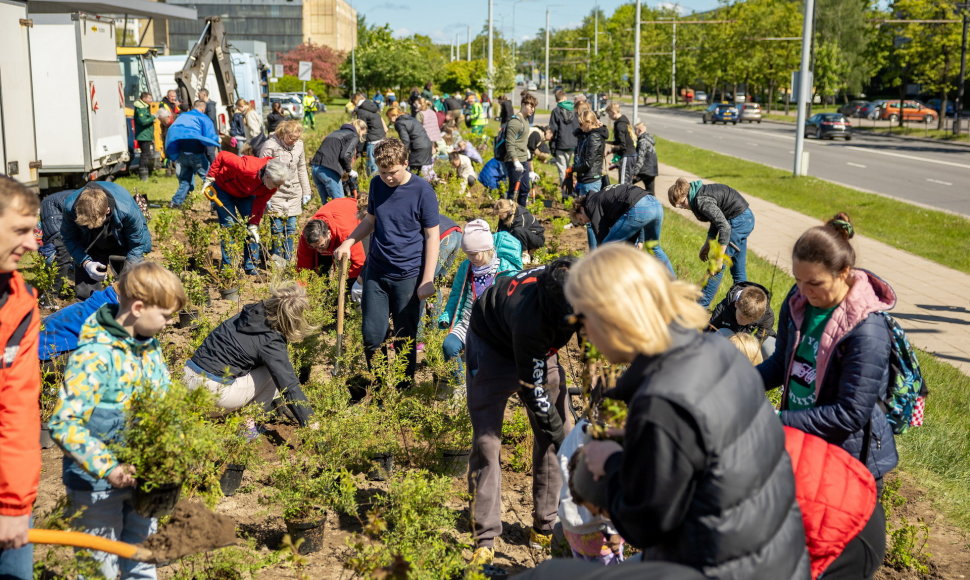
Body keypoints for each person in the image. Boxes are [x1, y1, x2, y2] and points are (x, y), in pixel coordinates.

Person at [564, 244, 810, 578]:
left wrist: (607, 464)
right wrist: (641, 438)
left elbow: (646, 523)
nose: (582, 332)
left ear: (611, 318)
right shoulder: (712, 350)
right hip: (771, 553)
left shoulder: (662, 399)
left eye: (582, 317)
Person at [49, 262, 186, 580]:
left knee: (141, 560)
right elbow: (64, 423)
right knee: (101, 568)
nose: (167, 324)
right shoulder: (94, 356)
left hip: (143, 480)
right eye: (165, 316)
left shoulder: (149, 348)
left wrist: (175, 445)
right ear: (138, 307)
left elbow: (165, 405)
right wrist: (108, 467)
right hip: (95, 488)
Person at [758, 213, 898, 486]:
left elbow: (850, 413)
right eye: (798, 279)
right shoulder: (798, 301)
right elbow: (780, 364)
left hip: (846, 460)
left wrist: (778, 418)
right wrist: (734, 383)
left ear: (843, 273)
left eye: (814, 283)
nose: (803, 290)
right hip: (803, 443)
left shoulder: (867, 329)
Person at [465, 258, 576, 565]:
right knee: (488, 443)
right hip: (492, 349)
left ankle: (545, 524)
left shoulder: (583, 284)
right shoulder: (530, 316)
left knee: (557, 431)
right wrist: (569, 446)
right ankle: (485, 537)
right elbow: (534, 392)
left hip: (538, 351)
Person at [334, 138, 440, 389]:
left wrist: (427, 279)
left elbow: (432, 235)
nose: (388, 178)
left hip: (409, 274)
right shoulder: (377, 185)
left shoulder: (422, 191)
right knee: (372, 336)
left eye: (392, 172)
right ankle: (380, 388)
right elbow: (371, 220)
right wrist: (350, 241)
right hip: (377, 272)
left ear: (405, 163)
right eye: (382, 172)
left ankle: (403, 389)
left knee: (405, 338)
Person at [185, 282, 315, 426]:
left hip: (186, 384)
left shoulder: (248, 315)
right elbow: (289, 385)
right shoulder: (271, 340)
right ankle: (247, 426)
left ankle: (226, 413)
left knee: (268, 368)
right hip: (212, 395)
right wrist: (311, 423)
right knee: (273, 374)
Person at [0, 176, 41, 580]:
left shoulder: (19, 303)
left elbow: (18, 409)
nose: (32, 244)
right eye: (19, 230)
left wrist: (13, 507)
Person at [438, 219, 522, 387]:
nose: (471, 258)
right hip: (467, 321)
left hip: (491, 327)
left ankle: (479, 391)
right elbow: (456, 294)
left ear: (487, 249)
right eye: (468, 254)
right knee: (449, 346)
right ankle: (461, 386)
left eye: (474, 254)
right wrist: (447, 314)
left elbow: (514, 302)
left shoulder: (505, 270)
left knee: (480, 365)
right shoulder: (466, 267)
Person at [668, 177, 755, 307]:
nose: (682, 207)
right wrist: (708, 244)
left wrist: (719, 258)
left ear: (687, 194)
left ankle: (700, 306)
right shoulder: (698, 194)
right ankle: (746, 307)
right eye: (678, 206)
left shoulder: (701, 201)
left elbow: (724, 227)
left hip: (738, 222)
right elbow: (716, 219)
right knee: (738, 271)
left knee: (716, 267)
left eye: (682, 203)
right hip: (742, 219)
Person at [203, 151, 293, 275]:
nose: (276, 188)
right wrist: (210, 177)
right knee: (228, 227)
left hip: (246, 194)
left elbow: (260, 203)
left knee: (251, 230)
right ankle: (227, 268)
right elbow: (222, 155)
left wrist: (254, 224)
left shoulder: (272, 185)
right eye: (275, 184)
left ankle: (251, 266)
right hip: (224, 189)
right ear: (267, 175)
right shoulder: (247, 167)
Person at [61, 182, 152, 300]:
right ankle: (90, 308)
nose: (90, 227)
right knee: (86, 291)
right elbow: (69, 238)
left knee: (129, 284)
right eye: (87, 224)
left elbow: (137, 244)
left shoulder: (127, 210)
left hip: (121, 238)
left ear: (108, 210)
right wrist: (86, 263)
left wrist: (128, 272)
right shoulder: (70, 207)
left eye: (94, 224)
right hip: (89, 242)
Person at [556, 420, 623, 565]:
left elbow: (561, 464)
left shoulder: (577, 433)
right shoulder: (614, 449)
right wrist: (615, 531)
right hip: (602, 538)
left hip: (572, 528)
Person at [571, 183, 674, 275]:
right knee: (653, 247)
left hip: (640, 209)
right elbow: (637, 204)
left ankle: (603, 280)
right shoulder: (600, 197)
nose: (584, 222)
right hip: (655, 205)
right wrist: (641, 239)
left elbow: (601, 234)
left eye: (581, 219)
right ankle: (673, 283)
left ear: (581, 208)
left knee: (606, 247)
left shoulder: (591, 205)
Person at [258, 120, 312, 263]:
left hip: (294, 193)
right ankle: (278, 262)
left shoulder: (299, 145)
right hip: (275, 193)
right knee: (277, 230)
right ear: (283, 134)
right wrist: (265, 196)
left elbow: (301, 168)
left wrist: (306, 191)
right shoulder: (270, 146)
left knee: (291, 229)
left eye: (297, 138)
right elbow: (260, 172)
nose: (294, 142)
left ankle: (287, 261)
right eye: (292, 138)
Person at [166, 99, 221, 209]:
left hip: (182, 154)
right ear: (202, 108)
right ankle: (215, 205)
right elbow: (209, 134)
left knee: (185, 181)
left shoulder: (182, 117)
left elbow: (172, 130)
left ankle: (176, 203)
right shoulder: (203, 118)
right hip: (197, 154)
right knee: (208, 179)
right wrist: (217, 140)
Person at [296, 197, 365, 282]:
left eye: (321, 246)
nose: (319, 250)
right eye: (315, 247)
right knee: (321, 266)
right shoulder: (307, 235)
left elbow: (359, 262)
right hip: (334, 210)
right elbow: (303, 265)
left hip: (353, 211)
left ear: (328, 234)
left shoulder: (345, 233)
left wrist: (353, 284)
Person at [709, 281, 776, 359]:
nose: (744, 323)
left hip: (749, 345)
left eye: (751, 320)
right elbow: (710, 330)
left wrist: (748, 348)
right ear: (736, 304)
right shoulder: (724, 308)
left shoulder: (767, 315)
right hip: (730, 339)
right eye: (741, 317)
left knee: (770, 347)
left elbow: (761, 338)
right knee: (723, 333)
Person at [310, 120, 366, 203]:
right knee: (339, 203)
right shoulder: (353, 136)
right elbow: (345, 155)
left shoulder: (335, 133)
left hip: (315, 168)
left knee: (326, 205)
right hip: (328, 170)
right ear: (361, 129)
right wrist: (349, 171)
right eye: (363, 133)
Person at [503, 92, 536, 207]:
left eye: (534, 107)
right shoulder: (515, 122)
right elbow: (510, 144)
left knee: (525, 189)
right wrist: (515, 161)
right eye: (531, 106)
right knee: (513, 191)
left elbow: (522, 141)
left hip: (523, 159)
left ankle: (522, 213)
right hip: (514, 160)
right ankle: (507, 215)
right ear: (523, 104)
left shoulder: (526, 121)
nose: (533, 109)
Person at [386, 106, 434, 178]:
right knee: (422, 171)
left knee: (413, 172)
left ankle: (412, 187)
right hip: (426, 144)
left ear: (394, 115)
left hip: (417, 147)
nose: (390, 120)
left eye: (389, 118)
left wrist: (402, 153)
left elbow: (405, 140)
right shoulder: (411, 118)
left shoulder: (399, 123)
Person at [569, 110, 608, 197]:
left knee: (588, 208)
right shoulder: (588, 134)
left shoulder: (594, 137)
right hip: (586, 178)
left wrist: (574, 168)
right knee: (583, 208)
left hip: (591, 180)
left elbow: (588, 163)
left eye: (581, 124)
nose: (579, 127)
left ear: (589, 122)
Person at [493, 198, 544, 263]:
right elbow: (500, 232)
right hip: (523, 238)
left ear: (507, 211)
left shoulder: (521, 216)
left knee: (517, 231)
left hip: (535, 240)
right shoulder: (504, 217)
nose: (499, 217)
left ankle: (525, 254)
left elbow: (518, 237)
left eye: (500, 214)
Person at [549, 89, 579, 185]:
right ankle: (571, 190)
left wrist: (551, 144)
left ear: (556, 100)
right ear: (565, 98)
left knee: (562, 169)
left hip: (561, 144)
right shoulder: (574, 110)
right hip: (573, 143)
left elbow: (553, 129)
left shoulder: (556, 111)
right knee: (569, 169)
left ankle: (566, 193)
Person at [352, 92, 387, 176]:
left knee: (372, 165)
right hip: (381, 137)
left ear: (355, 100)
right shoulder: (371, 107)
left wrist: (359, 150)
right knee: (380, 162)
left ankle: (373, 183)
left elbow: (362, 131)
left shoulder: (361, 111)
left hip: (372, 140)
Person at [605, 103, 636, 184]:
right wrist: (607, 142)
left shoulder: (620, 125)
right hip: (630, 154)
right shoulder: (624, 121)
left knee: (623, 182)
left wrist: (613, 148)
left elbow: (623, 145)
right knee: (628, 182)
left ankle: (623, 196)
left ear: (613, 112)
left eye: (609, 114)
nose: (609, 117)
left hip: (627, 155)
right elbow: (618, 141)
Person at [133, 91, 156, 182]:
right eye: (149, 98)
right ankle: (143, 175)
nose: (151, 100)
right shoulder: (141, 108)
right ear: (144, 99)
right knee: (145, 155)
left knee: (146, 154)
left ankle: (145, 173)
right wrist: (153, 117)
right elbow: (143, 121)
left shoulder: (145, 107)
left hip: (146, 135)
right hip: (143, 136)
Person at [631, 122, 658, 195]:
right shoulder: (649, 139)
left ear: (639, 130)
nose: (634, 132)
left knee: (626, 184)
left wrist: (634, 172)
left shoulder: (642, 141)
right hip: (652, 170)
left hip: (644, 170)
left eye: (635, 130)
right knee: (651, 192)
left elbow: (640, 158)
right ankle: (653, 205)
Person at [196, 88, 219, 163]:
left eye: (199, 94)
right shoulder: (206, 105)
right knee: (206, 153)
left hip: (210, 133)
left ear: (204, 94)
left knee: (210, 153)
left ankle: (215, 171)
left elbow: (211, 119)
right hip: (206, 133)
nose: (198, 95)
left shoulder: (210, 106)